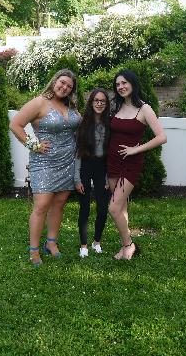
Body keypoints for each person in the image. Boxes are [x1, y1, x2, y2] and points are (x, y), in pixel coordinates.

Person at [9, 69, 81, 266]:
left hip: (67, 161)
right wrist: (34, 145)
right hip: (44, 161)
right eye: (62, 82)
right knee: (42, 205)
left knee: (59, 203)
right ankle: (34, 250)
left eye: (69, 86)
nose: (64, 87)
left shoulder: (70, 106)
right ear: (55, 81)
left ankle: (51, 242)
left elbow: (79, 126)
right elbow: (15, 124)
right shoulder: (39, 102)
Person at [107, 69, 167, 260]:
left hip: (130, 164)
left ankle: (129, 245)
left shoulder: (144, 109)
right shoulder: (116, 107)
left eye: (124, 83)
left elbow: (162, 137)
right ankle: (125, 247)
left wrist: (136, 149)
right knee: (121, 207)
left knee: (113, 208)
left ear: (133, 83)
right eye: (117, 84)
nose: (121, 87)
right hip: (112, 162)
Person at [74, 88, 111, 258]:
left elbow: (111, 154)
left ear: (106, 104)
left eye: (103, 101)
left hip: (102, 168)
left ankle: (96, 242)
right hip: (85, 166)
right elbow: (78, 152)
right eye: (96, 100)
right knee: (85, 208)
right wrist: (77, 178)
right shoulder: (83, 123)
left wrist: (108, 176)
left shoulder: (110, 124)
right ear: (91, 102)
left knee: (102, 209)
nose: (99, 103)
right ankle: (83, 245)